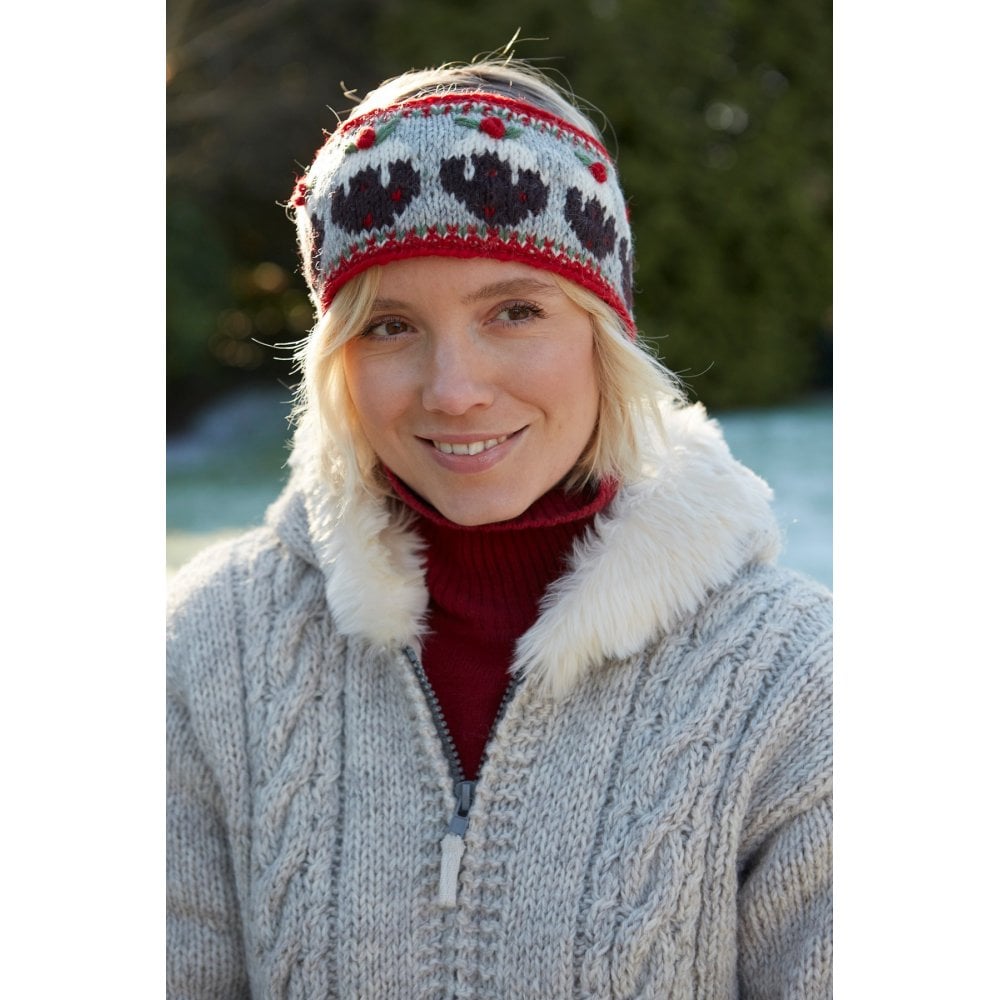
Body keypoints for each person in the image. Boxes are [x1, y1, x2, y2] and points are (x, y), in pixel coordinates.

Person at [167, 54, 832, 999]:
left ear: (604, 335)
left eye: (515, 311)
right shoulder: (209, 649)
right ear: (337, 359)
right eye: (389, 326)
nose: (455, 390)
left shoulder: (794, 677)